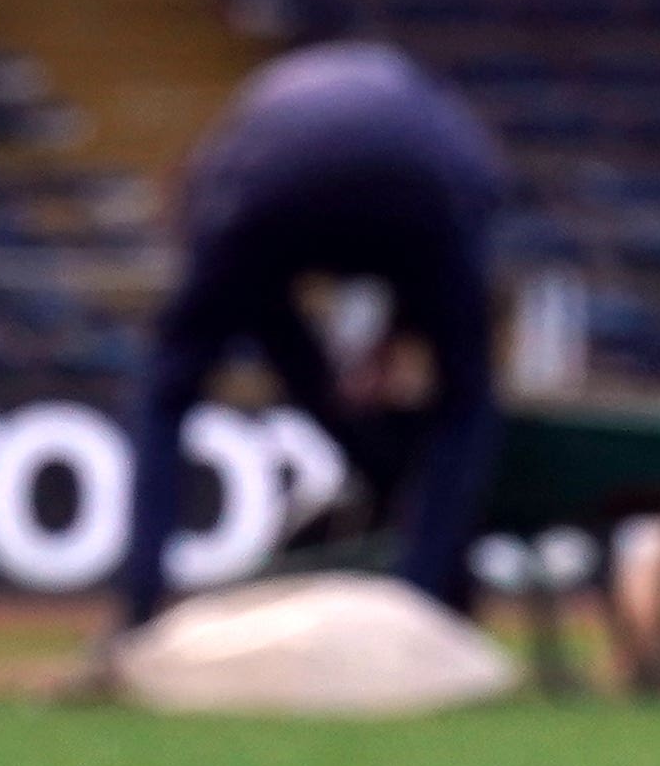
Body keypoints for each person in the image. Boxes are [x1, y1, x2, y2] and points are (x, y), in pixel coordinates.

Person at [111, 40, 507, 638]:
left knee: (166, 397)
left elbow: (243, 284)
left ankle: (136, 616)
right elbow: (479, 205)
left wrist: (324, 381)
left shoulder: (258, 115)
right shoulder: (433, 111)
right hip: (422, 190)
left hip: (271, 187)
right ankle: (425, 606)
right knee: (466, 401)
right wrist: (394, 341)